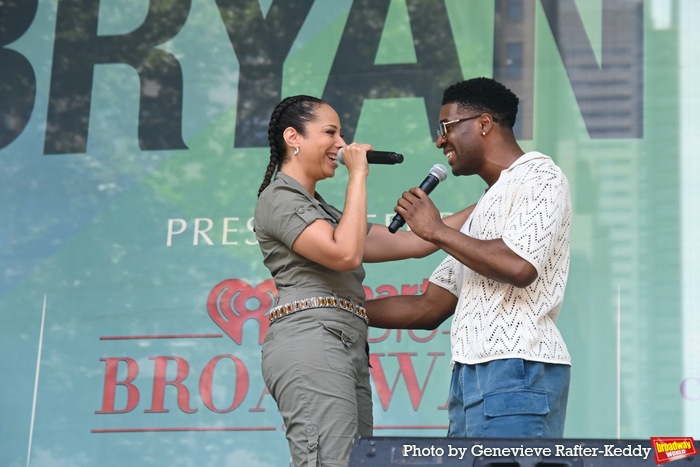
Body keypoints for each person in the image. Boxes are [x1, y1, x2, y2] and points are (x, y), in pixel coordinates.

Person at [254, 95, 473, 466]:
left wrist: (496, 197)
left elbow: (413, 241)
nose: (342, 144)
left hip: (346, 344)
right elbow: (344, 253)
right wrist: (358, 174)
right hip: (311, 339)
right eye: (330, 132)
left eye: (341, 134)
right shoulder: (278, 198)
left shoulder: (320, 208)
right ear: (294, 137)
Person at [365, 77, 573, 438]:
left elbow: (518, 266)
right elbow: (429, 307)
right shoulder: (484, 206)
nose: (440, 139)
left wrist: (436, 230)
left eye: (446, 127)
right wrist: (341, 308)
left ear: (483, 123)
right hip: (469, 377)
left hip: (518, 366)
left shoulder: (540, 176)